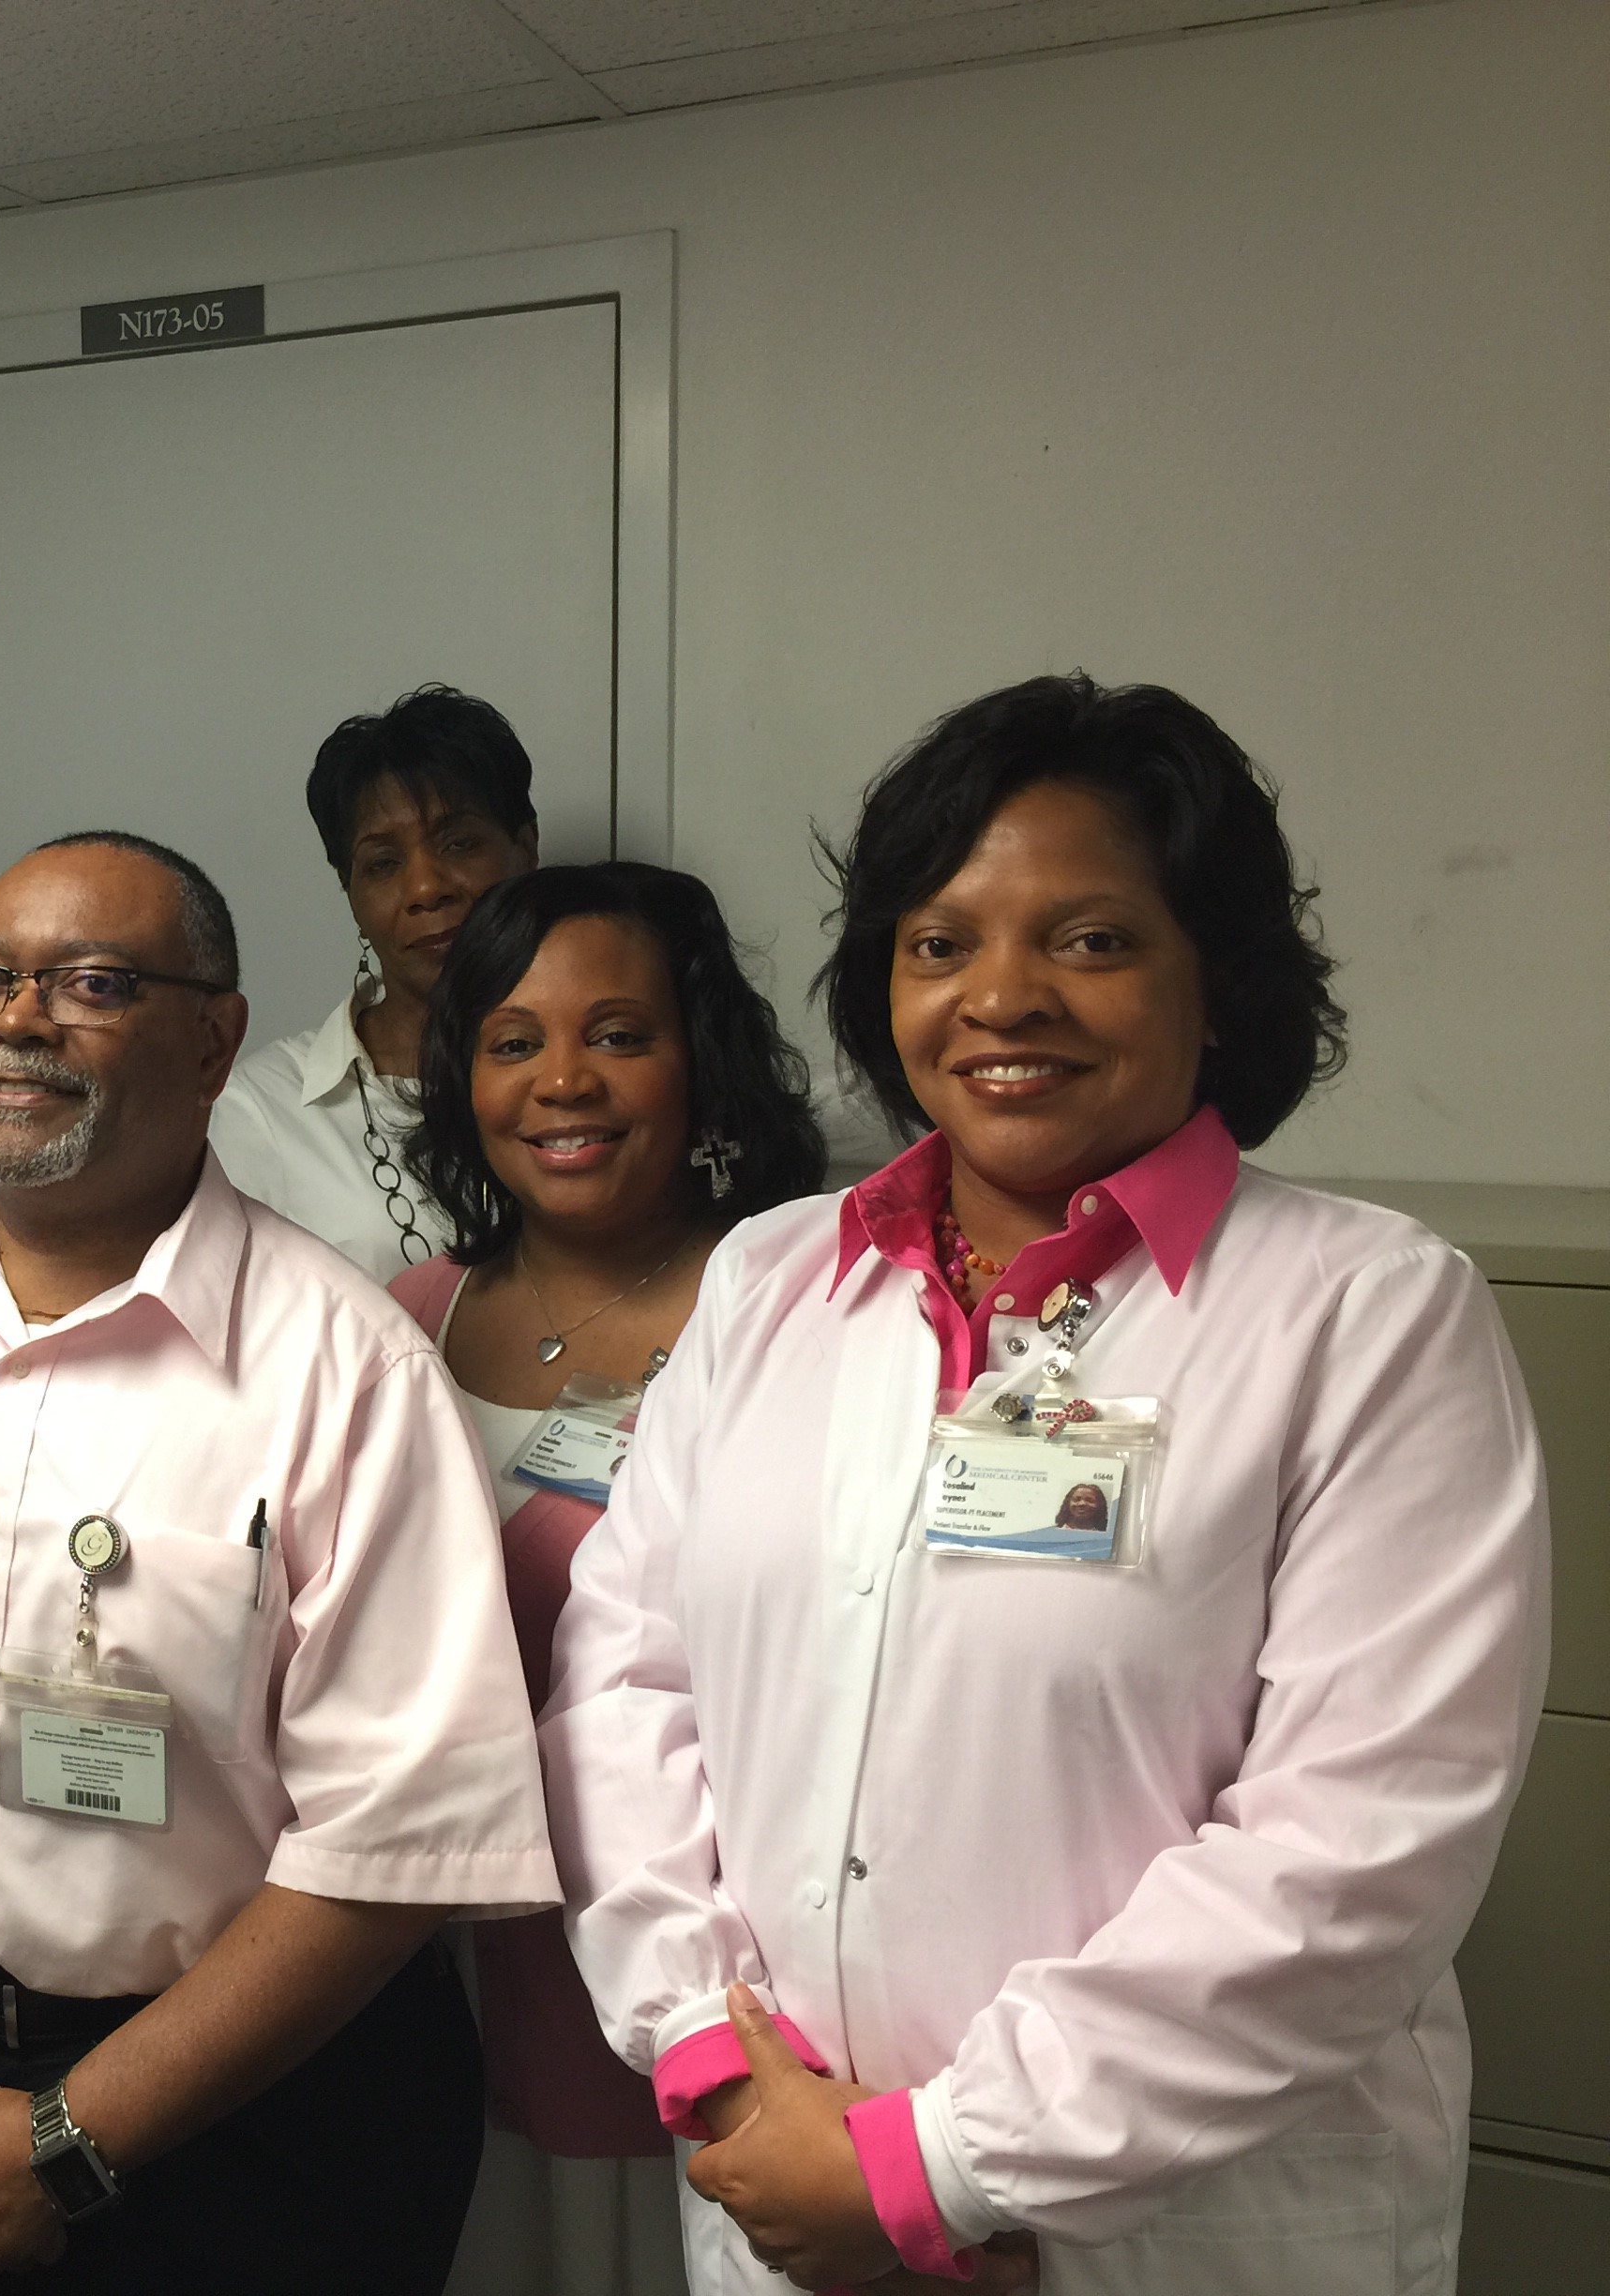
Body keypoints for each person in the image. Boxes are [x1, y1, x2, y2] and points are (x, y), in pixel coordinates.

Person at [538, 675, 1550, 2295]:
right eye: (937, 942)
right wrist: (719, 2066)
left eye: (1086, 939)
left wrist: (929, 2160)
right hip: (779, 2196)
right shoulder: (768, 1278)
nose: (998, 996)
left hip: (1165, 2237)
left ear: (1213, 980)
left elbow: (1355, 1846)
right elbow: (621, 1687)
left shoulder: (1367, 1311)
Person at [0, 830, 561, 2294]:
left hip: (253, 2133)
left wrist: (61, 2141)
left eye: (90, 981)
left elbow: (396, 1846)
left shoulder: (347, 1370)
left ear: (214, 1041)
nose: (19, 1017)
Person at [388, 866, 824, 2296]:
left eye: (620, 1035)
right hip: (434, 1961)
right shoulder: (406, 1320)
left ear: (704, 1060)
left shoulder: (793, 1313)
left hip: (701, 1959)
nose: (562, 1082)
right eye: (514, 1043)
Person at [211, 686, 539, 1279]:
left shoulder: (594, 1078)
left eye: (459, 844)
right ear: (350, 891)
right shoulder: (259, 1113)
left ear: (525, 848)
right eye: (384, 863)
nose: (425, 889)